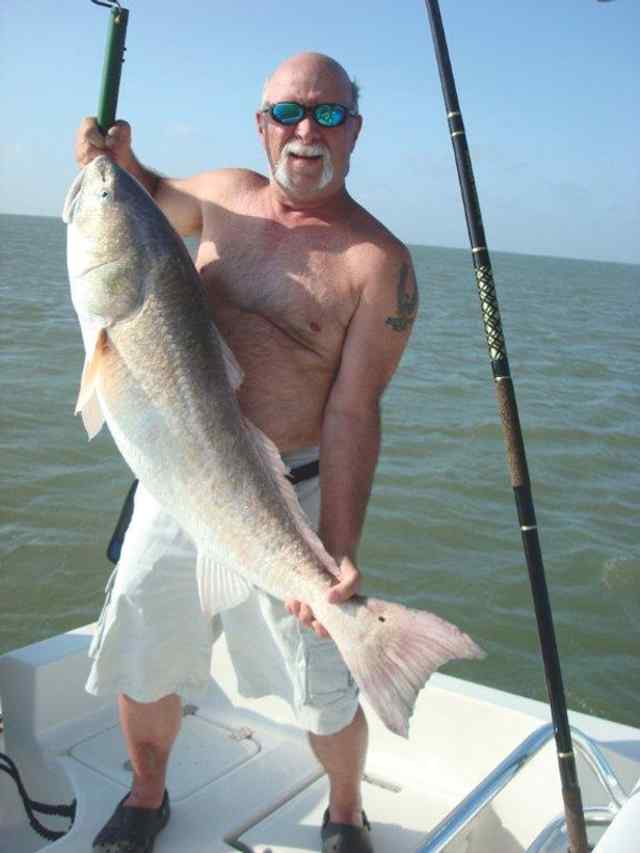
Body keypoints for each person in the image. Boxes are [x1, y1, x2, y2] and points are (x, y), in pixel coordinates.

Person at [75, 52, 418, 853]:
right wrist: (114, 162)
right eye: (289, 112)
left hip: (288, 497)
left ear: (355, 130)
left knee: (324, 686)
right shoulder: (223, 195)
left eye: (329, 114)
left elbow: (354, 411)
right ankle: (147, 794)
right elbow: (143, 200)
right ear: (262, 124)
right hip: (175, 483)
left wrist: (339, 547)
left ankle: (344, 810)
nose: (307, 130)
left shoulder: (378, 262)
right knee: (142, 653)